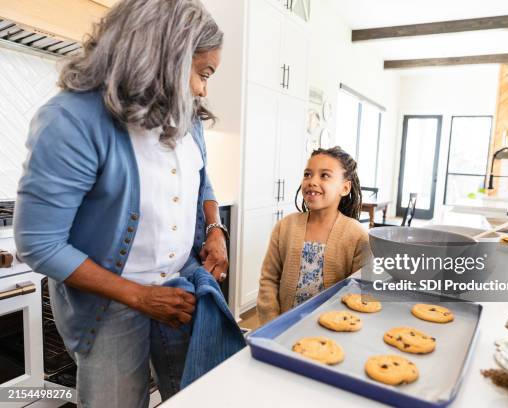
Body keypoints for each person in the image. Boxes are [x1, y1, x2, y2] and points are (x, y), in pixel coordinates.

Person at [14, 1, 228, 406]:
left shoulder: (187, 116)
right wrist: (139, 296)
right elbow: (39, 243)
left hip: (180, 286)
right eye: (202, 74)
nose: (202, 90)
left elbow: (202, 179)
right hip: (110, 309)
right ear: (164, 56)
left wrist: (215, 229)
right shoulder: (72, 119)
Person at [257, 146, 371, 324]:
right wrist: (271, 321)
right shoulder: (285, 227)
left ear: (345, 188)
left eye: (324, 175)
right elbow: (269, 280)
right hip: (283, 327)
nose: (312, 181)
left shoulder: (357, 236)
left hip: (331, 331)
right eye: (307, 174)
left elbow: (358, 292)